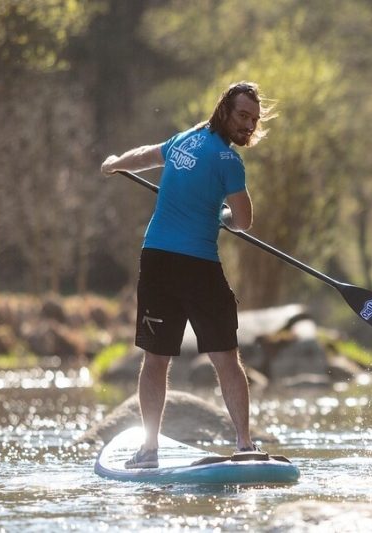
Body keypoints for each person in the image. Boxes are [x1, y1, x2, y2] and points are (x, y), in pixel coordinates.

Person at [100, 81, 273, 468]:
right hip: (196, 266)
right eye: (243, 116)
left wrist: (114, 163)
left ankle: (149, 451)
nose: (248, 125)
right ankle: (244, 444)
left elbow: (145, 155)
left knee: (156, 358)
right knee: (225, 357)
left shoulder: (184, 139)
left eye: (253, 120)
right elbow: (244, 221)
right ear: (224, 112)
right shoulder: (229, 162)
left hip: (156, 259)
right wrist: (224, 217)